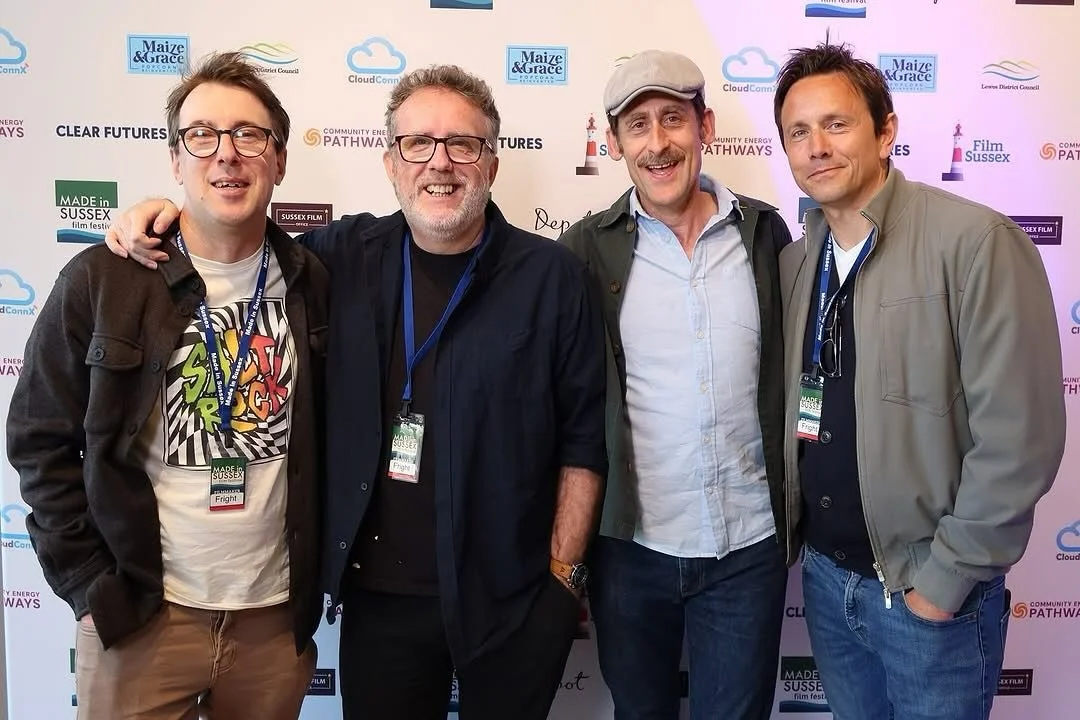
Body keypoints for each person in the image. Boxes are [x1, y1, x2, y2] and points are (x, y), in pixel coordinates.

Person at [105, 63, 607, 720]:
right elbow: (233, 237)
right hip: (379, 607)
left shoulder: (554, 277)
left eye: (463, 144)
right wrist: (166, 216)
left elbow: (584, 438)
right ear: (390, 161)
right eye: (416, 144)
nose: (440, 162)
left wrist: (562, 583)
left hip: (513, 603)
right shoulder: (336, 259)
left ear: (491, 161)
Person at [7, 52, 327, 720]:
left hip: (272, 623)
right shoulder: (104, 279)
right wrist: (91, 588)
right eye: (202, 136)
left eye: (249, 135)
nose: (226, 156)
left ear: (280, 159)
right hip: (145, 615)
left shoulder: (315, 280)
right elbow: (40, 441)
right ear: (176, 160)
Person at [774, 42, 1066, 720]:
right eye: (798, 131)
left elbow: (1021, 441)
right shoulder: (796, 263)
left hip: (930, 598)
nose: (816, 146)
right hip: (826, 583)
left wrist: (944, 582)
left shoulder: (974, 242)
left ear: (886, 131)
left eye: (837, 124)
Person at [559, 50, 791, 720]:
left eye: (672, 120)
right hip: (631, 552)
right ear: (614, 144)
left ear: (705, 126)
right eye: (637, 126)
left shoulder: (765, 234)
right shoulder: (584, 251)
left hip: (748, 548)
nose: (657, 143)